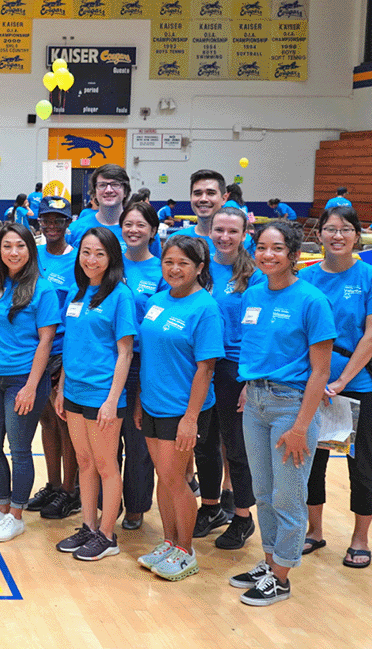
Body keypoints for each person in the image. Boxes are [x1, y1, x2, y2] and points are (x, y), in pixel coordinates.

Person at [230, 220, 335, 606]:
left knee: (288, 495)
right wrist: (247, 386)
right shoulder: (254, 294)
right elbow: (255, 350)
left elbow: (320, 371)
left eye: (276, 248)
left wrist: (301, 425)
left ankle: (283, 576)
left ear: (294, 255)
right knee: (263, 491)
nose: (267, 255)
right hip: (255, 402)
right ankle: (271, 560)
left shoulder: (311, 300)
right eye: (261, 247)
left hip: (291, 406)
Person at [299, 206, 372, 569]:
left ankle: (360, 538)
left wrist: (340, 381)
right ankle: (314, 531)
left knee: (363, 463)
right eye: (330, 229)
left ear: (357, 235)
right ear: (319, 234)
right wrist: (316, 382)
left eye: (346, 229)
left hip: (360, 386)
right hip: (312, 386)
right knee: (310, 461)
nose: (337, 236)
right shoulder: (306, 279)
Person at [134, 235, 224, 581]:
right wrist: (141, 401)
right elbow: (150, 356)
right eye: (168, 262)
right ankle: (170, 542)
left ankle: (186, 550)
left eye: (183, 263)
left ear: (200, 268)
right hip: (153, 404)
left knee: (176, 479)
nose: (174, 269)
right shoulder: (157, 301)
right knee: (164, 477)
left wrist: (190, 419)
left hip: (183, 409)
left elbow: (206, 368)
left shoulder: (205, 308)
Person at [0, 224, 57, 541]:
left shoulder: (42, 289)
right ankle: (1, 507)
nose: (14, 252)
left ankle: (16, 515)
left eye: (20, 246)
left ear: (30, 250)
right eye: (7, 246)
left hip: (24, 380)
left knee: (19, 450)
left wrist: (32, 387)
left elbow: (46, 342)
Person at [53, 227, 136, 562]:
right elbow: (72, 344)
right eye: (86, 252)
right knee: (84, 462)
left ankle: (107, 534)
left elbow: (126, 352)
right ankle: (88, 526)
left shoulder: (121, 295)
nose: (91, 259)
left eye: (99, 253)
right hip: (73, 390)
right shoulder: (78, 291)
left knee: (106, 465)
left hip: (103, 394)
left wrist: (112, 399)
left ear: (111, 257)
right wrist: (60, 389)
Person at [194, 207, 261, 549]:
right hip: (203, 366)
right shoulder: (200, 268)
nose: (224, 237)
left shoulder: (255, 275)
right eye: (219, 230)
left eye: (232, 231)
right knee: (204, 443)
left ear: (245, 234)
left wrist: (249, 380)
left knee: (236, 447)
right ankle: (210, 507)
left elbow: (260, 333)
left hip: (236, 369)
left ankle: (243, 517)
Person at [118, 202, 167, 531]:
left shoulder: (163, 270)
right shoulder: (109, 261)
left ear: (152, 231)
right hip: (107, 362)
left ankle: (135, 507)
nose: (134, 230)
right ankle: (104, 505)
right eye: (128, 224)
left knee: (137, 443)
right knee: (106, 439)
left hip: (142, 363)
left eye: (141, 225)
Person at [32, 197, 80, 520]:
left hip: (62, 351)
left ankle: (69, 490)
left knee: (65, 424)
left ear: (67, 223)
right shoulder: (32, 254)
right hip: (35, 348)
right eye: (46, 220)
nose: (52, 226)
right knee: (46, 421)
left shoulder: (77, 260)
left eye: (58, 220)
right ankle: (51, 484)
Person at [69, 164, 161, 256]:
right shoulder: (75, 230)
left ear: (125, 191)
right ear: (95, 192)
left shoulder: (144, 231)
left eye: (115, 185)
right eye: (102, 185)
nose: (108, 190)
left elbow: (156, 267)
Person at [177, 169, 254, 253]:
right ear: (191, 198)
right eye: (197, 193)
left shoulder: (245, 242)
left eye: (211, 193)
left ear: (224, 198)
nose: (203, 199)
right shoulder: (177, 240)